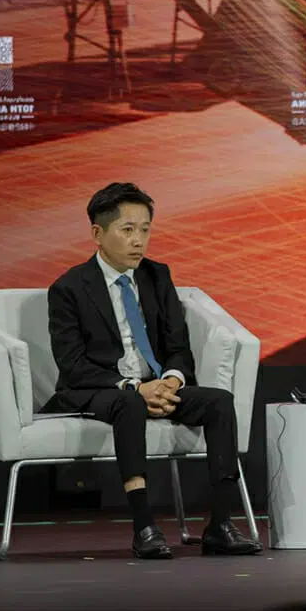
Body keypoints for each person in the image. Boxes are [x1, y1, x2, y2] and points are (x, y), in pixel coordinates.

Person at [40, 182, 263, 559]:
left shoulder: (157, 276)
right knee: (130, 404)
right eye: (127, 230)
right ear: (98, 233)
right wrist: (133, 387)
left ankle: (221, 525)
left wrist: (171, 382)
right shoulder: (69, 288)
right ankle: (144, 525)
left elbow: (178, 347)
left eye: (145, 230)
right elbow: (73, 365)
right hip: (100, 390)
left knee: (220, 402)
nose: (138, 241)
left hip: (157, 386)